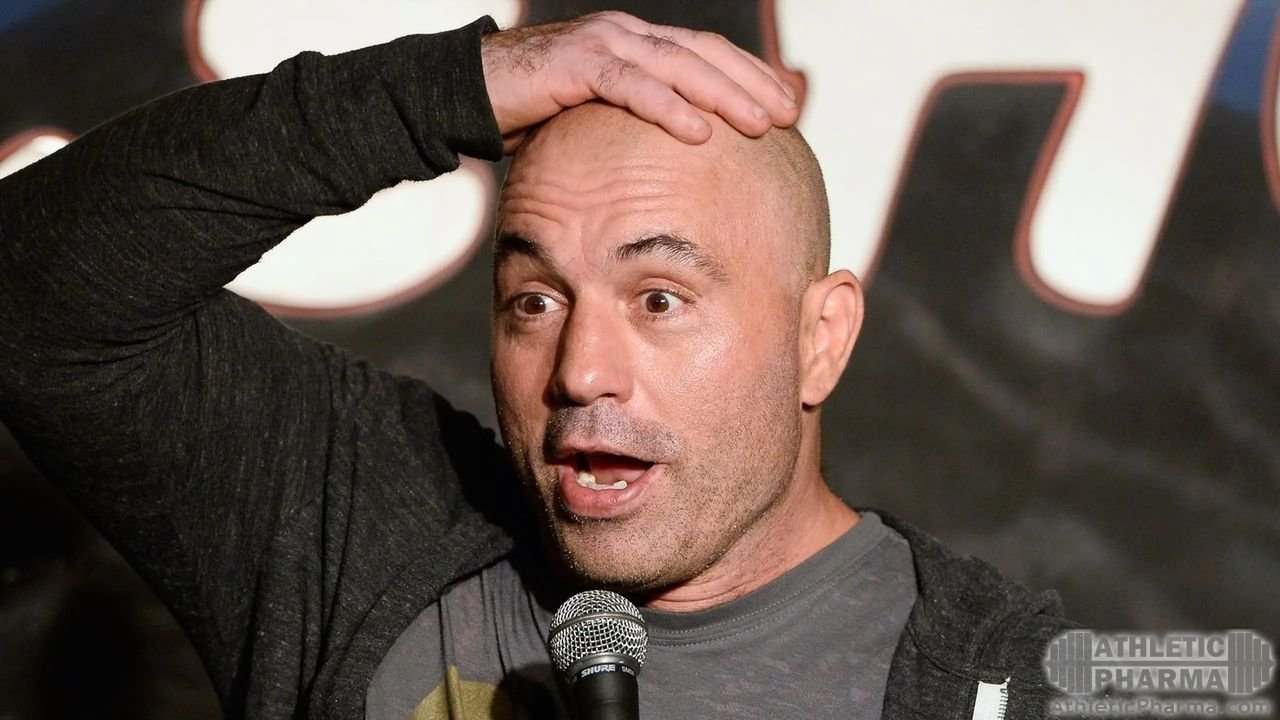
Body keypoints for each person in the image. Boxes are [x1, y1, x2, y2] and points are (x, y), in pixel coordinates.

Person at [0, 11, 1073, 720]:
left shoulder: (1010, 682)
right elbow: (30, 295)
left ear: (820, 338)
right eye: (535, 301)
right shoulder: (365, 526)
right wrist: (444, 90)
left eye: (658, 299)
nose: (580, 372)